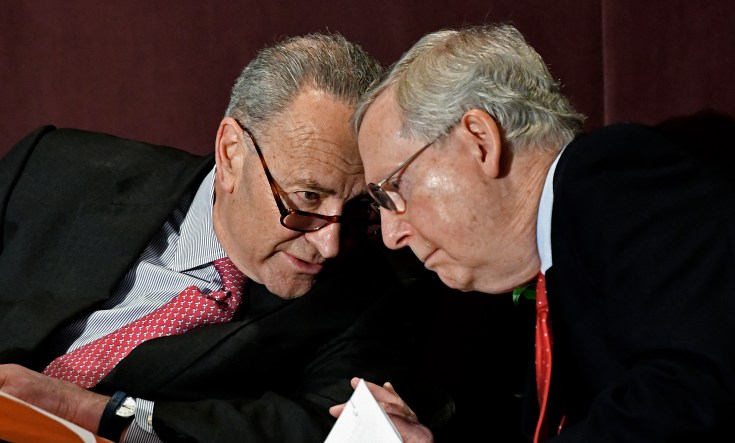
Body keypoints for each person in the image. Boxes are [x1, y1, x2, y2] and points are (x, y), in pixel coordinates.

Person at [334, 23, 735, 442]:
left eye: (393, 189)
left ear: (480, 141)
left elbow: (688, 394)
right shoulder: (548, 274)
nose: (391, 234)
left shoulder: (611, 172)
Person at [0, 32, 435, 442]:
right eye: (307, 197)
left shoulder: (371, 295)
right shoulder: (54, 167)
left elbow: (326, 430)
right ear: (231, 154)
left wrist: (94, 411)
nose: (330, 244)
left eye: (360, 207)